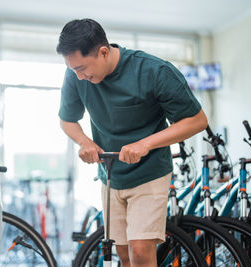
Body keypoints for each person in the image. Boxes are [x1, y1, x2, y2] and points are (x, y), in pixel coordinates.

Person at [56, 19, 207, 267]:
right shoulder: (76, 75)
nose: (80, 76)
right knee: (124, 253)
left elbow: (197, 120)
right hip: (111, 174)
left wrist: (146, 144)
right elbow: (67, 120)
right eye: (74, 70)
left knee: (140, 250)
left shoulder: (154, 71)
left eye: (83, 68)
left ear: (103, 52)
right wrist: (84, 142)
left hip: (150, 172)